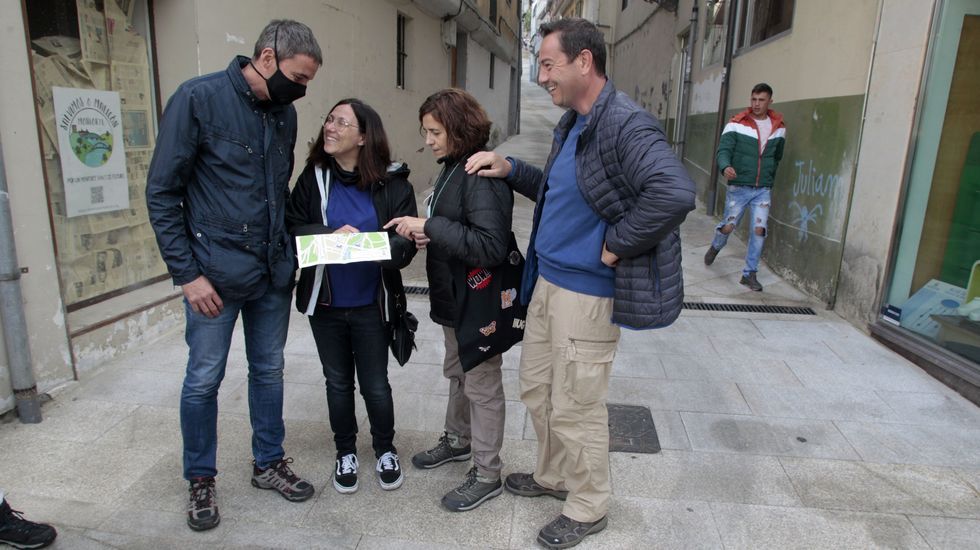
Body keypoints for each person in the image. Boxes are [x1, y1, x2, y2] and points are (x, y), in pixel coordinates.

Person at [465, 18, 695, 549]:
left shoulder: (625, 124)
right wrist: (510, 167)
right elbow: (563, 189)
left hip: (586, 295)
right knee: (539, 391)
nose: (542, 75)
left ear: (584, 61)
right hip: (548, 283)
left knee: (576, 405)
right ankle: (554, 476)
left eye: (548, 64)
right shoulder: (576, 122)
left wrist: (618, 244)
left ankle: (589, 506)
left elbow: (674, 192)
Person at [146, 20, 321, 531]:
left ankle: (269, 462)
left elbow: (278, 194)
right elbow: (162, 193)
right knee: (203, 380)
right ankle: (200, 477)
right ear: (266, 57)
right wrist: (187, 275)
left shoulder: (284, 114)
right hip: (212, 279)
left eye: (308, 81)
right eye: (298, 76)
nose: (302, 90)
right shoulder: (197, 99)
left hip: (270, 274)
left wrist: (296, 251)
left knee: (269, 371)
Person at [385, 89, 513, 513]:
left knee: (482, 384)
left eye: (435, 131)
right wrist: (428, 231)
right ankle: (458, 441)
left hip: (477, 302)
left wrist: (431, 225)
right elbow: (452, 228)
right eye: (425, 131)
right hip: (452, 298)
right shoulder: (451, 168)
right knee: (459, 372)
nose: (429, 140)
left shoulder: (478, 173)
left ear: (458, 128)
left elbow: (490, 246)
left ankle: (488, 472)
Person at [285, 98, 417, 495]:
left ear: (363, 136)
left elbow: (404, 248)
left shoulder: (393, 184)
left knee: (375, 384)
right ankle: (345, 451)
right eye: (329, 120)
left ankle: (384, 448)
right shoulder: (313, 178)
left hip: (371, 305)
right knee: (337, 382)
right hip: (324, 305)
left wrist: (371, 245)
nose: (331, 127)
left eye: (342, 123)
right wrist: (328, 236)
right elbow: (291, 226)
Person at [703, 83, 786, 291]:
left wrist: (768, 178)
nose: (757, 104)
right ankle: (716, 245)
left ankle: (749, 274)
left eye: (761, 100)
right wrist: (726, 167)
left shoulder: (779, 127)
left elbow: (777, 157)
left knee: (759, 230)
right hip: (739, 187)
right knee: (729, 226)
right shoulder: (736, 124)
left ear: (770, 101)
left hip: (762, 189)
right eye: (754, 99)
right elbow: (723, 151)